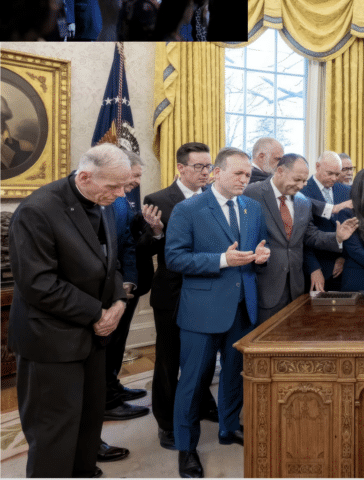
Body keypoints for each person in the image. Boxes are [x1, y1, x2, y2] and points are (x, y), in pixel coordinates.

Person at [8, 143, 130, 478]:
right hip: (49, 340)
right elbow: (38, 284)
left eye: (124, 186)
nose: (120, 195)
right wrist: (97, 313)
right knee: (54, 433)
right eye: (113, 187)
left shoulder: (102, 203)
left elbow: (110, 263)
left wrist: (118, 301)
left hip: (91, 339)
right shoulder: (37, 210)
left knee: (88, 422)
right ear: (86, 177)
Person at [165, 147, 270, 478]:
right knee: (193, 383)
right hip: (201, 312)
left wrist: (261, 256)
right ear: (217, 173)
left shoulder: (252, 208)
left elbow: (254, 249)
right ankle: (186, 448)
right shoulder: (188, 210)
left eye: (248, 175)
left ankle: (228, 427)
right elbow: (175, 259)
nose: (244, 180)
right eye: (238, 174)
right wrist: (222, 260)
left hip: (242, 308)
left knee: (234, 375)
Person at [138, 142, 218, 450]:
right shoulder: (157, 200)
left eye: (208, 167)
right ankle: (167, 422)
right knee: (169, 361)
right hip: (173, 293)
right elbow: (143, 249)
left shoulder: (215, 199)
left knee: (205, 357)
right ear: (180, 168)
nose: (204, 173)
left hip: (209, 291)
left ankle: (200, 404)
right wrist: (156, 232)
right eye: (198, 167)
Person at [243, 154, 357, 323]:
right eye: (297, 180)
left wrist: (337, 237)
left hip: (296, 287)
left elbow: (311, 236)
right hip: (265, 286)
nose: (302, 185)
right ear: (280, 171)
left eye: (304, 181)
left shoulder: (303, 202)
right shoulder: (252, 193)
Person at [103, 150, 149, 430]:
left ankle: (113, 385)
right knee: (107, 345)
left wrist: (129, 281)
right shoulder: (102, 199)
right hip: (104, 287)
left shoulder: (121, 201)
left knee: (117, 343)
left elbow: (127, 242)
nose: (136, 182)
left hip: (123, 284)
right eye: (134, 175)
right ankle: (107, 401)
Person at [300, 151, 353, 291]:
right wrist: (313, 268)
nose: (335, 178)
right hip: (315, 269)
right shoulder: (302, 192)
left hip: (343, 269)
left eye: (337, 174)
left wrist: (343, 258)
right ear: (317, 166)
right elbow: (302, 237)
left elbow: (352, 228)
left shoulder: (346, 191)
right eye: (330, 173)